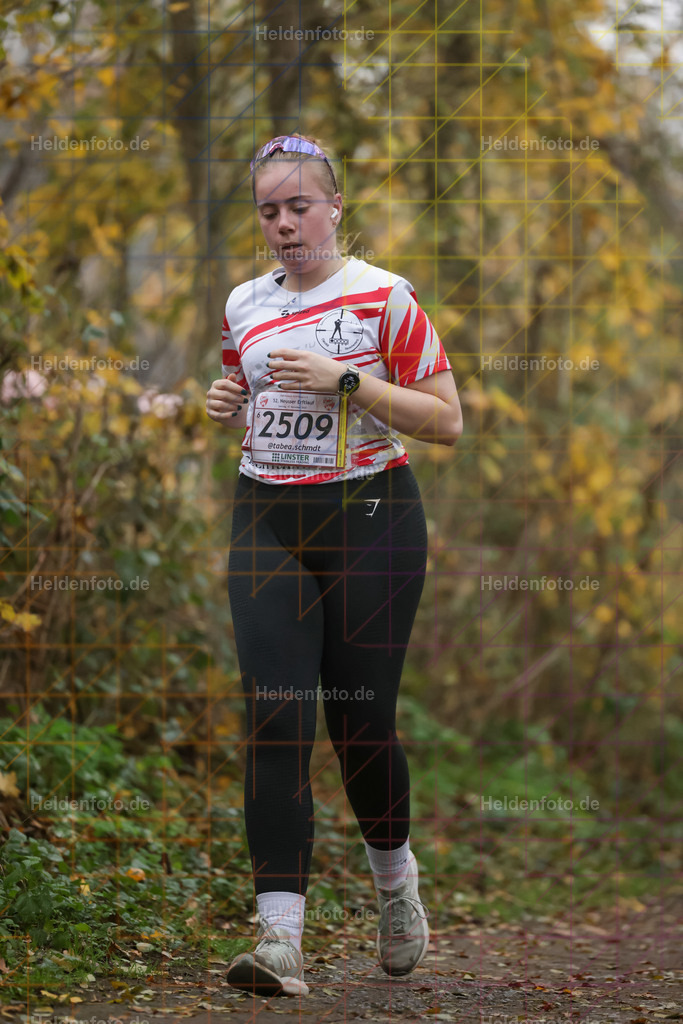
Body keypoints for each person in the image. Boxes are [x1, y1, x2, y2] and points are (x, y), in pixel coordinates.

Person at [205, 134, 463, 998]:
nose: (282, 224)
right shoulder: (244, 301)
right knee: (276, 716)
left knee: (360, 725)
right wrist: (230, 397)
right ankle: (280, 942)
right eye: (268, 210)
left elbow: (446, 421)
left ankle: (395, 884)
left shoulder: (384, 297)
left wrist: (346, 382)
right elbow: (255, 388)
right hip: (266, 517)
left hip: (371, 518)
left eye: (298, 206)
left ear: (335, 205)